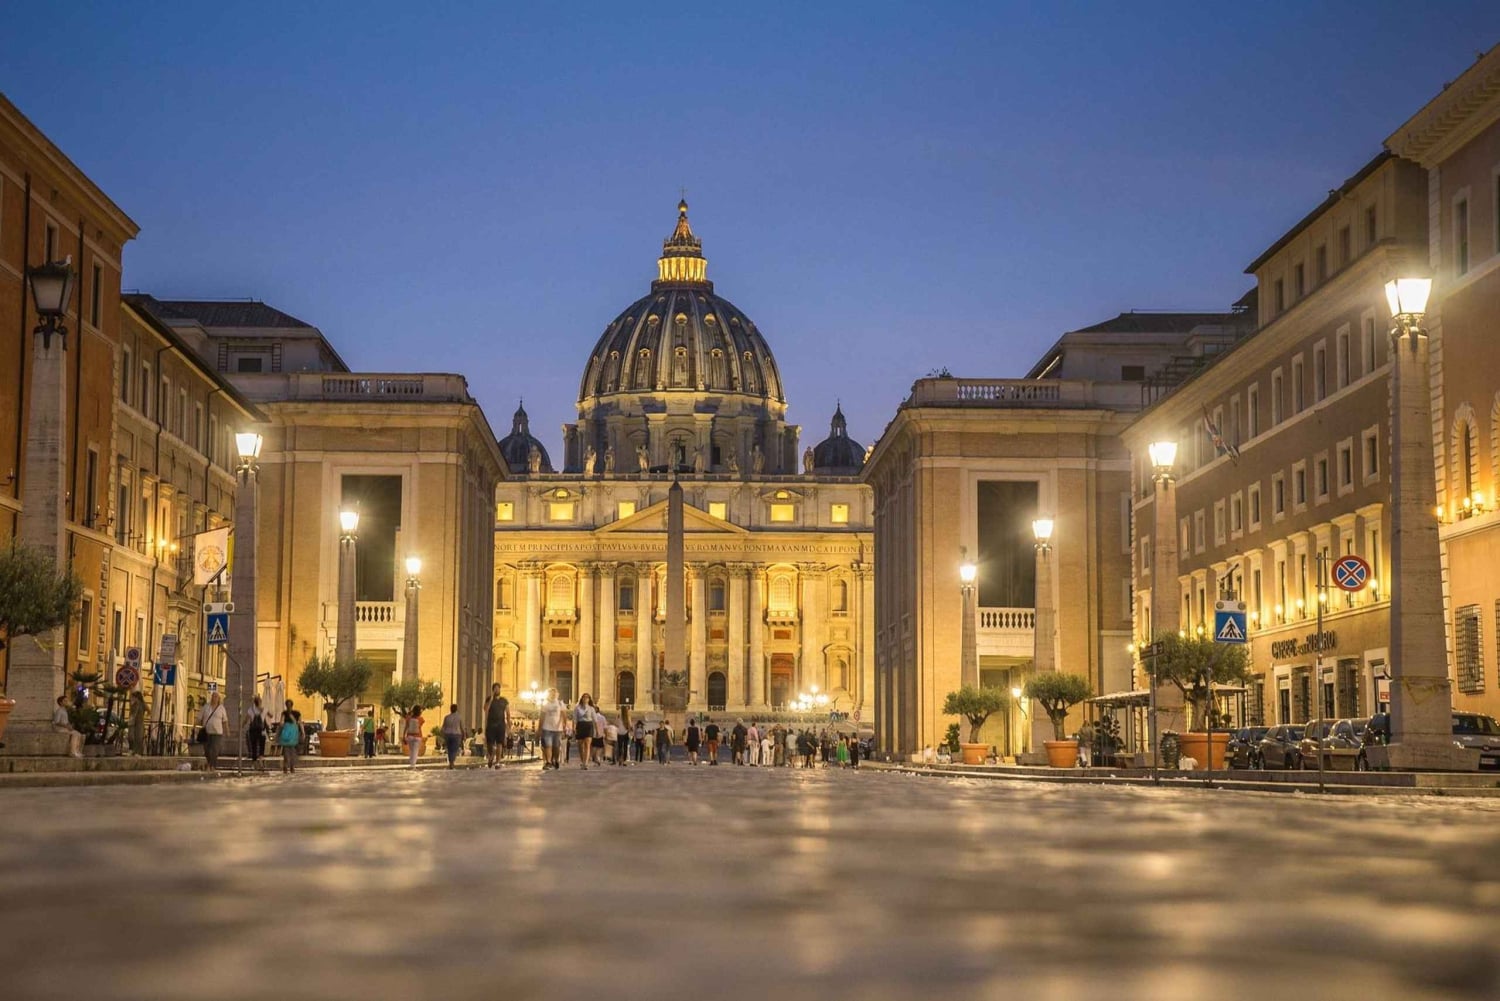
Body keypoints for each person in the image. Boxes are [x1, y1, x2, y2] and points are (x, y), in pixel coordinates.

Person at [197, 692, 227, 770]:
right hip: (207, 732)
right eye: (213, 696)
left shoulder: (221, 708)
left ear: (218, 699)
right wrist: (195, 727)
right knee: (207, 750)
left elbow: (225, 721)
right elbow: (199, 718)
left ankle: (212, 766)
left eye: (216, 697)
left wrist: (227, 731)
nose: (214, 698)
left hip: (217, 732)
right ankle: (210, 764)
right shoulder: (206, 707)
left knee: (215, 750)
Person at [484, 684, 511, 769]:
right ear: (493, 690)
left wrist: (509, 727)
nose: (497, 690)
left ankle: (498, 762)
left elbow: (508, 713)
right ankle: (491, 755)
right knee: (490, 744)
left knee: (500, 743)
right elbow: (485, 709)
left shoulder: (504, 700)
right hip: (490, 725)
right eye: (495, 689)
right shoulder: (489, 699)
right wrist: (491, 699)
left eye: (498, 688)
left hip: (500, 725)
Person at [539, 688, 566, 770]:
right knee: (548, 745)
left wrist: (564, 726)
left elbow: (564, 715)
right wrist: (539, 728)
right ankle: (548, 762)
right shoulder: (545, 704)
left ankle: (556, 760)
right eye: (551, 693)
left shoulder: (560, 704)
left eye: (554, 693)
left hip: (558, 729)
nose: (553, 695)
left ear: (557, 694)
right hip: (546, 728)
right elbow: (542, 717)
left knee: (556, 747)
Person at [572, 694, 596, 770]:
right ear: (581, 699)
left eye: (587, 698)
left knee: (587, 745)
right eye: (584, 697)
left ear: (589, 699)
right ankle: (583, 761)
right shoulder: (577, 708)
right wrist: (574, 728)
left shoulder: (591, 708)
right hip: (580, 725)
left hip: (589, 725)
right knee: (580, 745)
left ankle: (586, 763)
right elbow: (575, 718)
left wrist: (597, 730)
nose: (585, 699)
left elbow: (595, 720)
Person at [276, 707, 303, 774]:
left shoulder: (284, 713)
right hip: (294, 735)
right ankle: (291, 767)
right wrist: (303, 732)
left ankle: (286, 766)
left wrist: (278, 733)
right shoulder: (297, 713)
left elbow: (281, 723)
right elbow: (300, 723)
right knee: (293, 751)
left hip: (286, 735)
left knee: (286, 751)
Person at [244, 695, 268, 769]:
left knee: (253, 746)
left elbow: (246, 719)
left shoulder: (250, 709)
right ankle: (261, 761)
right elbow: (271, 715)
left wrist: (242, 726)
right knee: (262, 746)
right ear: (260, 702)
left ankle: (254, 763)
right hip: (262, 730)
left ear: (254, 702)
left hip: (253, 730)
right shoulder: (264, 709)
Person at [440, 703, 465, 768]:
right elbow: (462, 727)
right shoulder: (459, 717)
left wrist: (442, 734)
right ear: (456, 709)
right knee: (454, 749)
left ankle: (451, 762)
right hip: (456, 735)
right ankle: (452, 762)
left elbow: (443, 727)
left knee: (449, 749)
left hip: (448, 734)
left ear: (450, 709)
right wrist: (464, 735)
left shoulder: (447, 717)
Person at [402, 703, 426, 767]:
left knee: (411, 750)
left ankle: (411, 764)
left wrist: (404, 735)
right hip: (418, 736)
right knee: (415, 751)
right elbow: (421, 724)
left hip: (410, 736)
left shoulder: (408, 718)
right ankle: (413, 765)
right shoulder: (420, 719)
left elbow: (406, 727)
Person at [129, 689, 148, 756]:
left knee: (138, 737)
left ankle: (138, 752)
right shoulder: (134, 704)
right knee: (132, 737)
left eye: (134, 697)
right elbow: (132, 713)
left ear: (137, 697)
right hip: (134, 722)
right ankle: (134, 751)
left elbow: (148, 710)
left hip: (139, 723)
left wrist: (144, 715)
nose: (132, 698)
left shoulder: (141, 704)